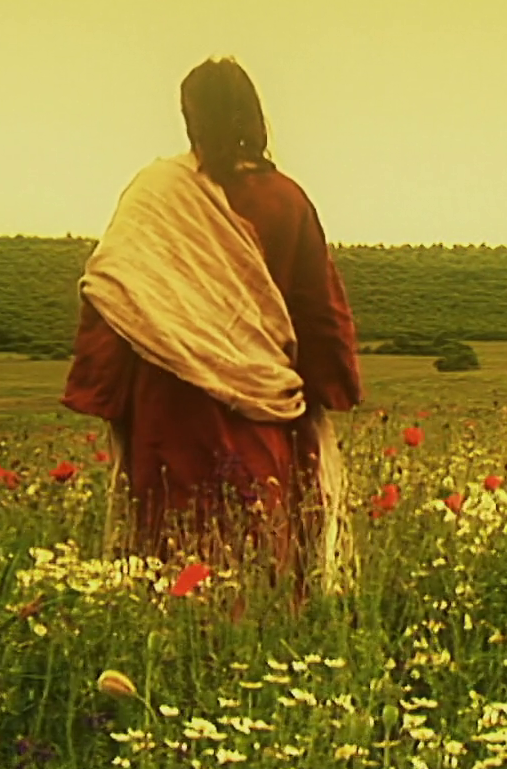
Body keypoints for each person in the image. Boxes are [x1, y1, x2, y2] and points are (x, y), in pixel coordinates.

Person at [62, 57, 362, 595]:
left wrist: (109, 391)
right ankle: (261, 633)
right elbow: (318, 308)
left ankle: (172, 638)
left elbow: (113, 293)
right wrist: (327, 387)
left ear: (190, 117)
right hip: (262, 407)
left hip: (169, 404)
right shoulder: (285, 199)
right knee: (258, 545)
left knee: (168, 551)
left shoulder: (154, 194)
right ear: (253, 114)